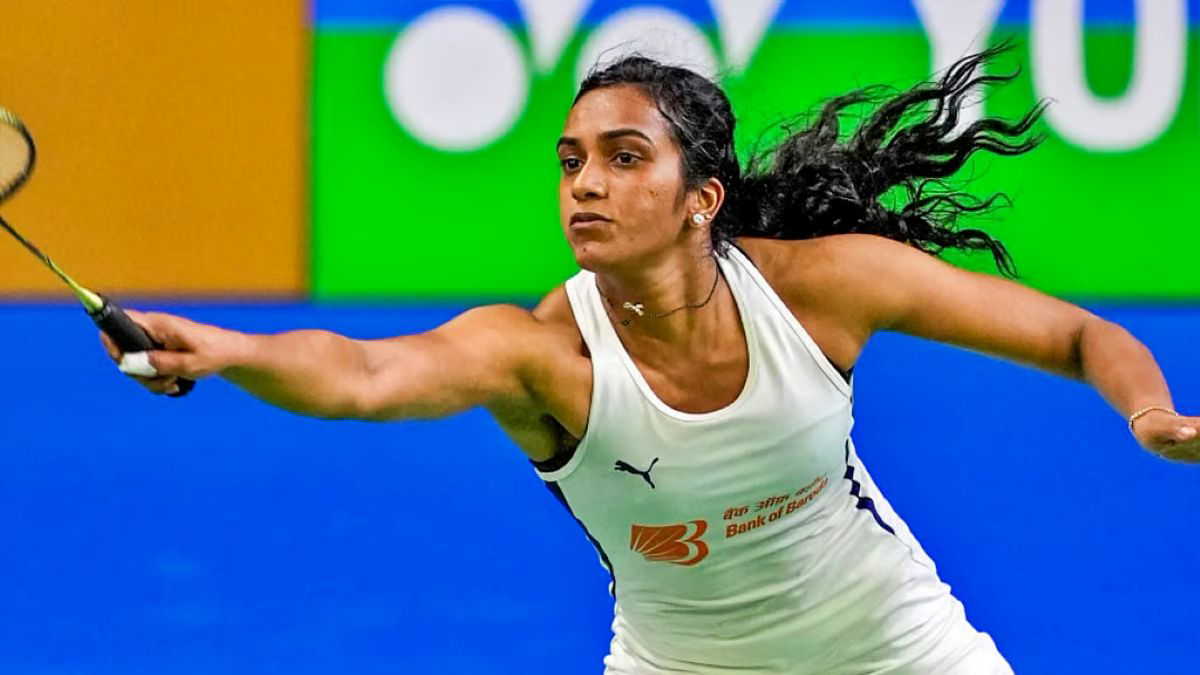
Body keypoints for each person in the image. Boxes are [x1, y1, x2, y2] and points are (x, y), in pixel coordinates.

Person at [102, 45, 1197, 674]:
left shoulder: (824, 289)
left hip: (897, 648)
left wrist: (1148, 414)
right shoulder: (545, 355)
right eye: (572, 160)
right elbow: (366, 376)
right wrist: (233, 348)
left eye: (626, 158)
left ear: (700, 197)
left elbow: (1076, 334)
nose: (586, 183)